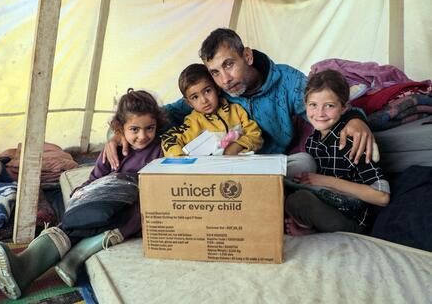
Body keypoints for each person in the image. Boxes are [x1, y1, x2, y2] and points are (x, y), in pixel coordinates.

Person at [103, 28, 375, 177]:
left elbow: (325, 106)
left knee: (305, 163)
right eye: (215, 72)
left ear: (247, 55)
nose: (225, 80)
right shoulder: (213, 94)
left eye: (229, 65)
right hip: (223, 165)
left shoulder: (288, 82)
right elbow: (162, 115)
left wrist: (356, 119)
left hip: (271, 163)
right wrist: (118, 132)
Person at [0, 89, 166, 299]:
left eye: (149, 128)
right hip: (104, 208)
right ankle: (29, 269)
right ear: (120, 128)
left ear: (157, 126)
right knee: (84, 216)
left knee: (92, 220)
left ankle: (28, 266)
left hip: (128, 218)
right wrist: (80, 194)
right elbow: (95, 178)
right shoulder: (114, 152)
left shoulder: (160, 151)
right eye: (134, 129)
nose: (143, 136)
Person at [284, 70, 390, 236]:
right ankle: (309, 226)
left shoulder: (354, 140)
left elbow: (382, 197)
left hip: (353, 218)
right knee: (282, 190)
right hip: (328, 201)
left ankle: (311, 229)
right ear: (305, 105)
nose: (320, 113)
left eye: (329, 106)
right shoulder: (313, 140)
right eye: (313, 105)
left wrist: (322, 180)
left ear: (344, 108)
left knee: (299, 201)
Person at [161, 63, 263, 156]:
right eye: (195, 97)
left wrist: (237, 146)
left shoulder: (236, 111)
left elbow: (255, 135)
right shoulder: (193, 122)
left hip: (243, 167)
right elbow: (169, 140)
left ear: (217, 88)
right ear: (189, 103)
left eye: (207, 91)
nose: (204, 100)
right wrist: (180, 160)